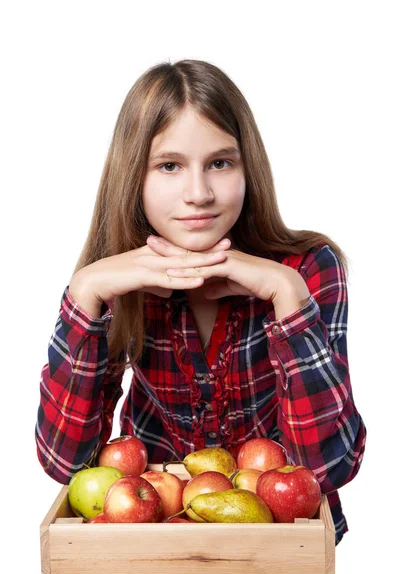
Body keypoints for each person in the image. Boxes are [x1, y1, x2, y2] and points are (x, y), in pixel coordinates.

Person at [35, 58, 366, 545]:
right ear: (134, 177)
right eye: (169, 166)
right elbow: (64, 462)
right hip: (153, 536)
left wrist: (288, 301)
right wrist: (85, 295)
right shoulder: (115, 280)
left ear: (247, 167)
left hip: (275, 550)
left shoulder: (306, 270)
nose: (199, 193)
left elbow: (329, 466)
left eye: (220, 163)